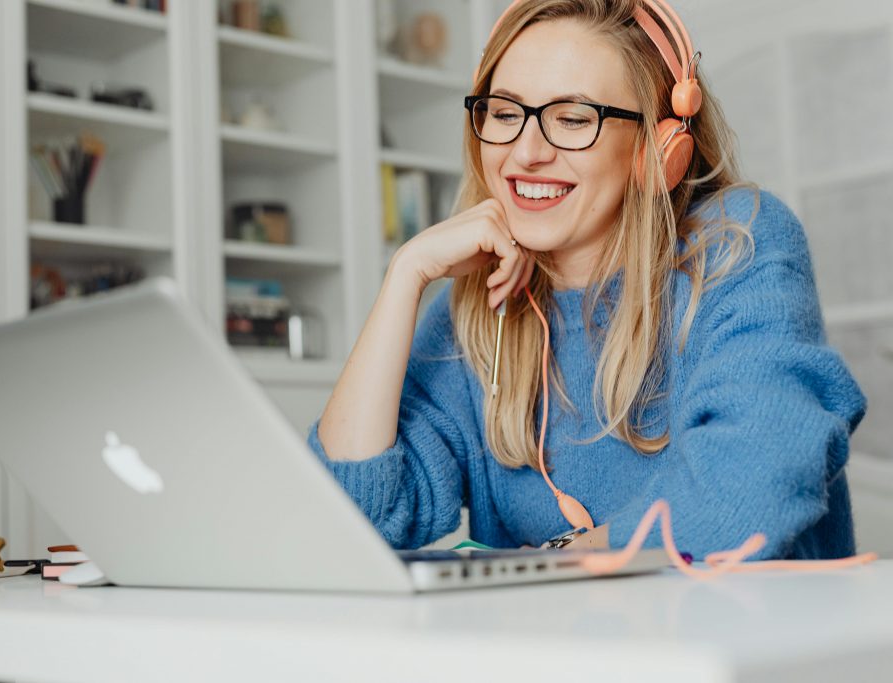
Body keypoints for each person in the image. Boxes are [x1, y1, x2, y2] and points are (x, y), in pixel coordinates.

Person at [308, 0, 866, 560]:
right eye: (504, 114)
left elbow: (748, 494)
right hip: (564, 648)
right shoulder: (479, 307)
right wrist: (406, 276)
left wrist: (555, 560)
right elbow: (351, 523)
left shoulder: (738, 247)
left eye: (573, 119)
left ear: (657, 150)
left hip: (737, 641)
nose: (525, 153)